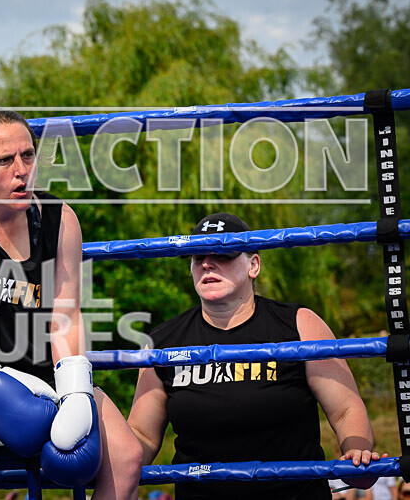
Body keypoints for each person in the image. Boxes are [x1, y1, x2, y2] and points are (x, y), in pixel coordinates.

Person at [0, 110, 143, 499]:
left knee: (127, 456)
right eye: (5, 161)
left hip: (42, 371)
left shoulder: (59, 219)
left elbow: (65, 317)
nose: (22, 171)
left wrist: (74, 392)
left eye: (29, 156)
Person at [128, 212, 383, 499]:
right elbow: (142, 434)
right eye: (197, 256)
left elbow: (345, 408)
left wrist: (356, 454)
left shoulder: (299, 324)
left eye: (222, 254)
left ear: (253, 265)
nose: (207, 263)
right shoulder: (163, 341)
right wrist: (106, 459)